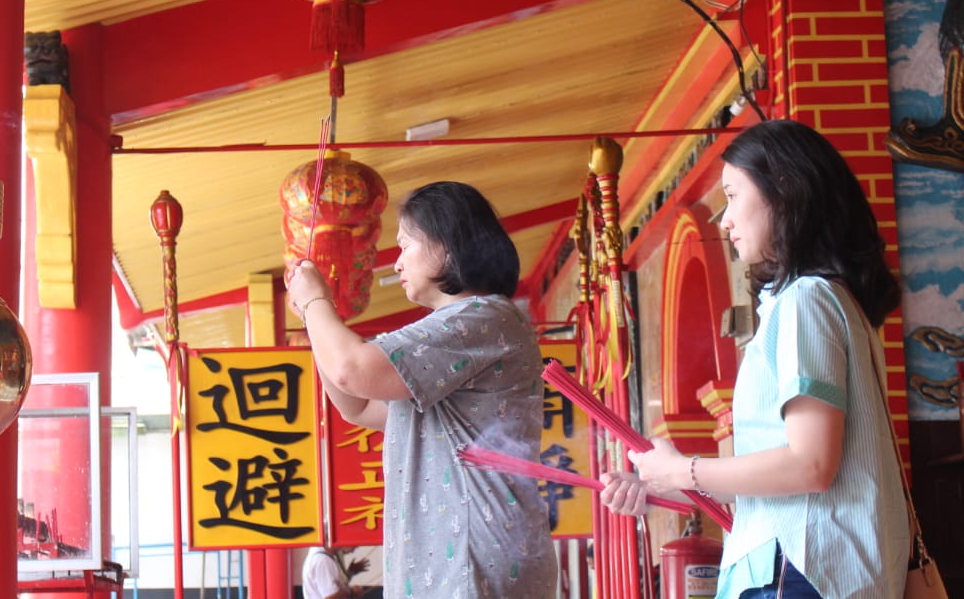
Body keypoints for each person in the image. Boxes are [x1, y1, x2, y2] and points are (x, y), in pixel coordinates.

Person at [599, 119, 909, 598]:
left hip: (801, 573)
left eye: (732, 195)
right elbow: (787, 479)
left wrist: (685, 470)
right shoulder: (836, 301)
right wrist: (663, 483)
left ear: (784, 192)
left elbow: (809, 466)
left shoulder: (806, 300)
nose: (724, 219)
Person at [286, 181, 558, 599]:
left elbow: (350, 370)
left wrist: (314, 305)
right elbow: (357, 405)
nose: (395, 263)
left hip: (471, 567)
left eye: (405, 244)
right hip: (456, 568)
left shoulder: (481, 316)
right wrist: (314, 318)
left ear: (447, 247)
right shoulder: (464, 332)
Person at [301, 546, 367, 599]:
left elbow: (334, 587)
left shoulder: (323, 556)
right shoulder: (323, 560)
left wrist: (350, 573)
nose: (353, 551)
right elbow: (331, 597)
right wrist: (351, 592)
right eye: (355, 546)